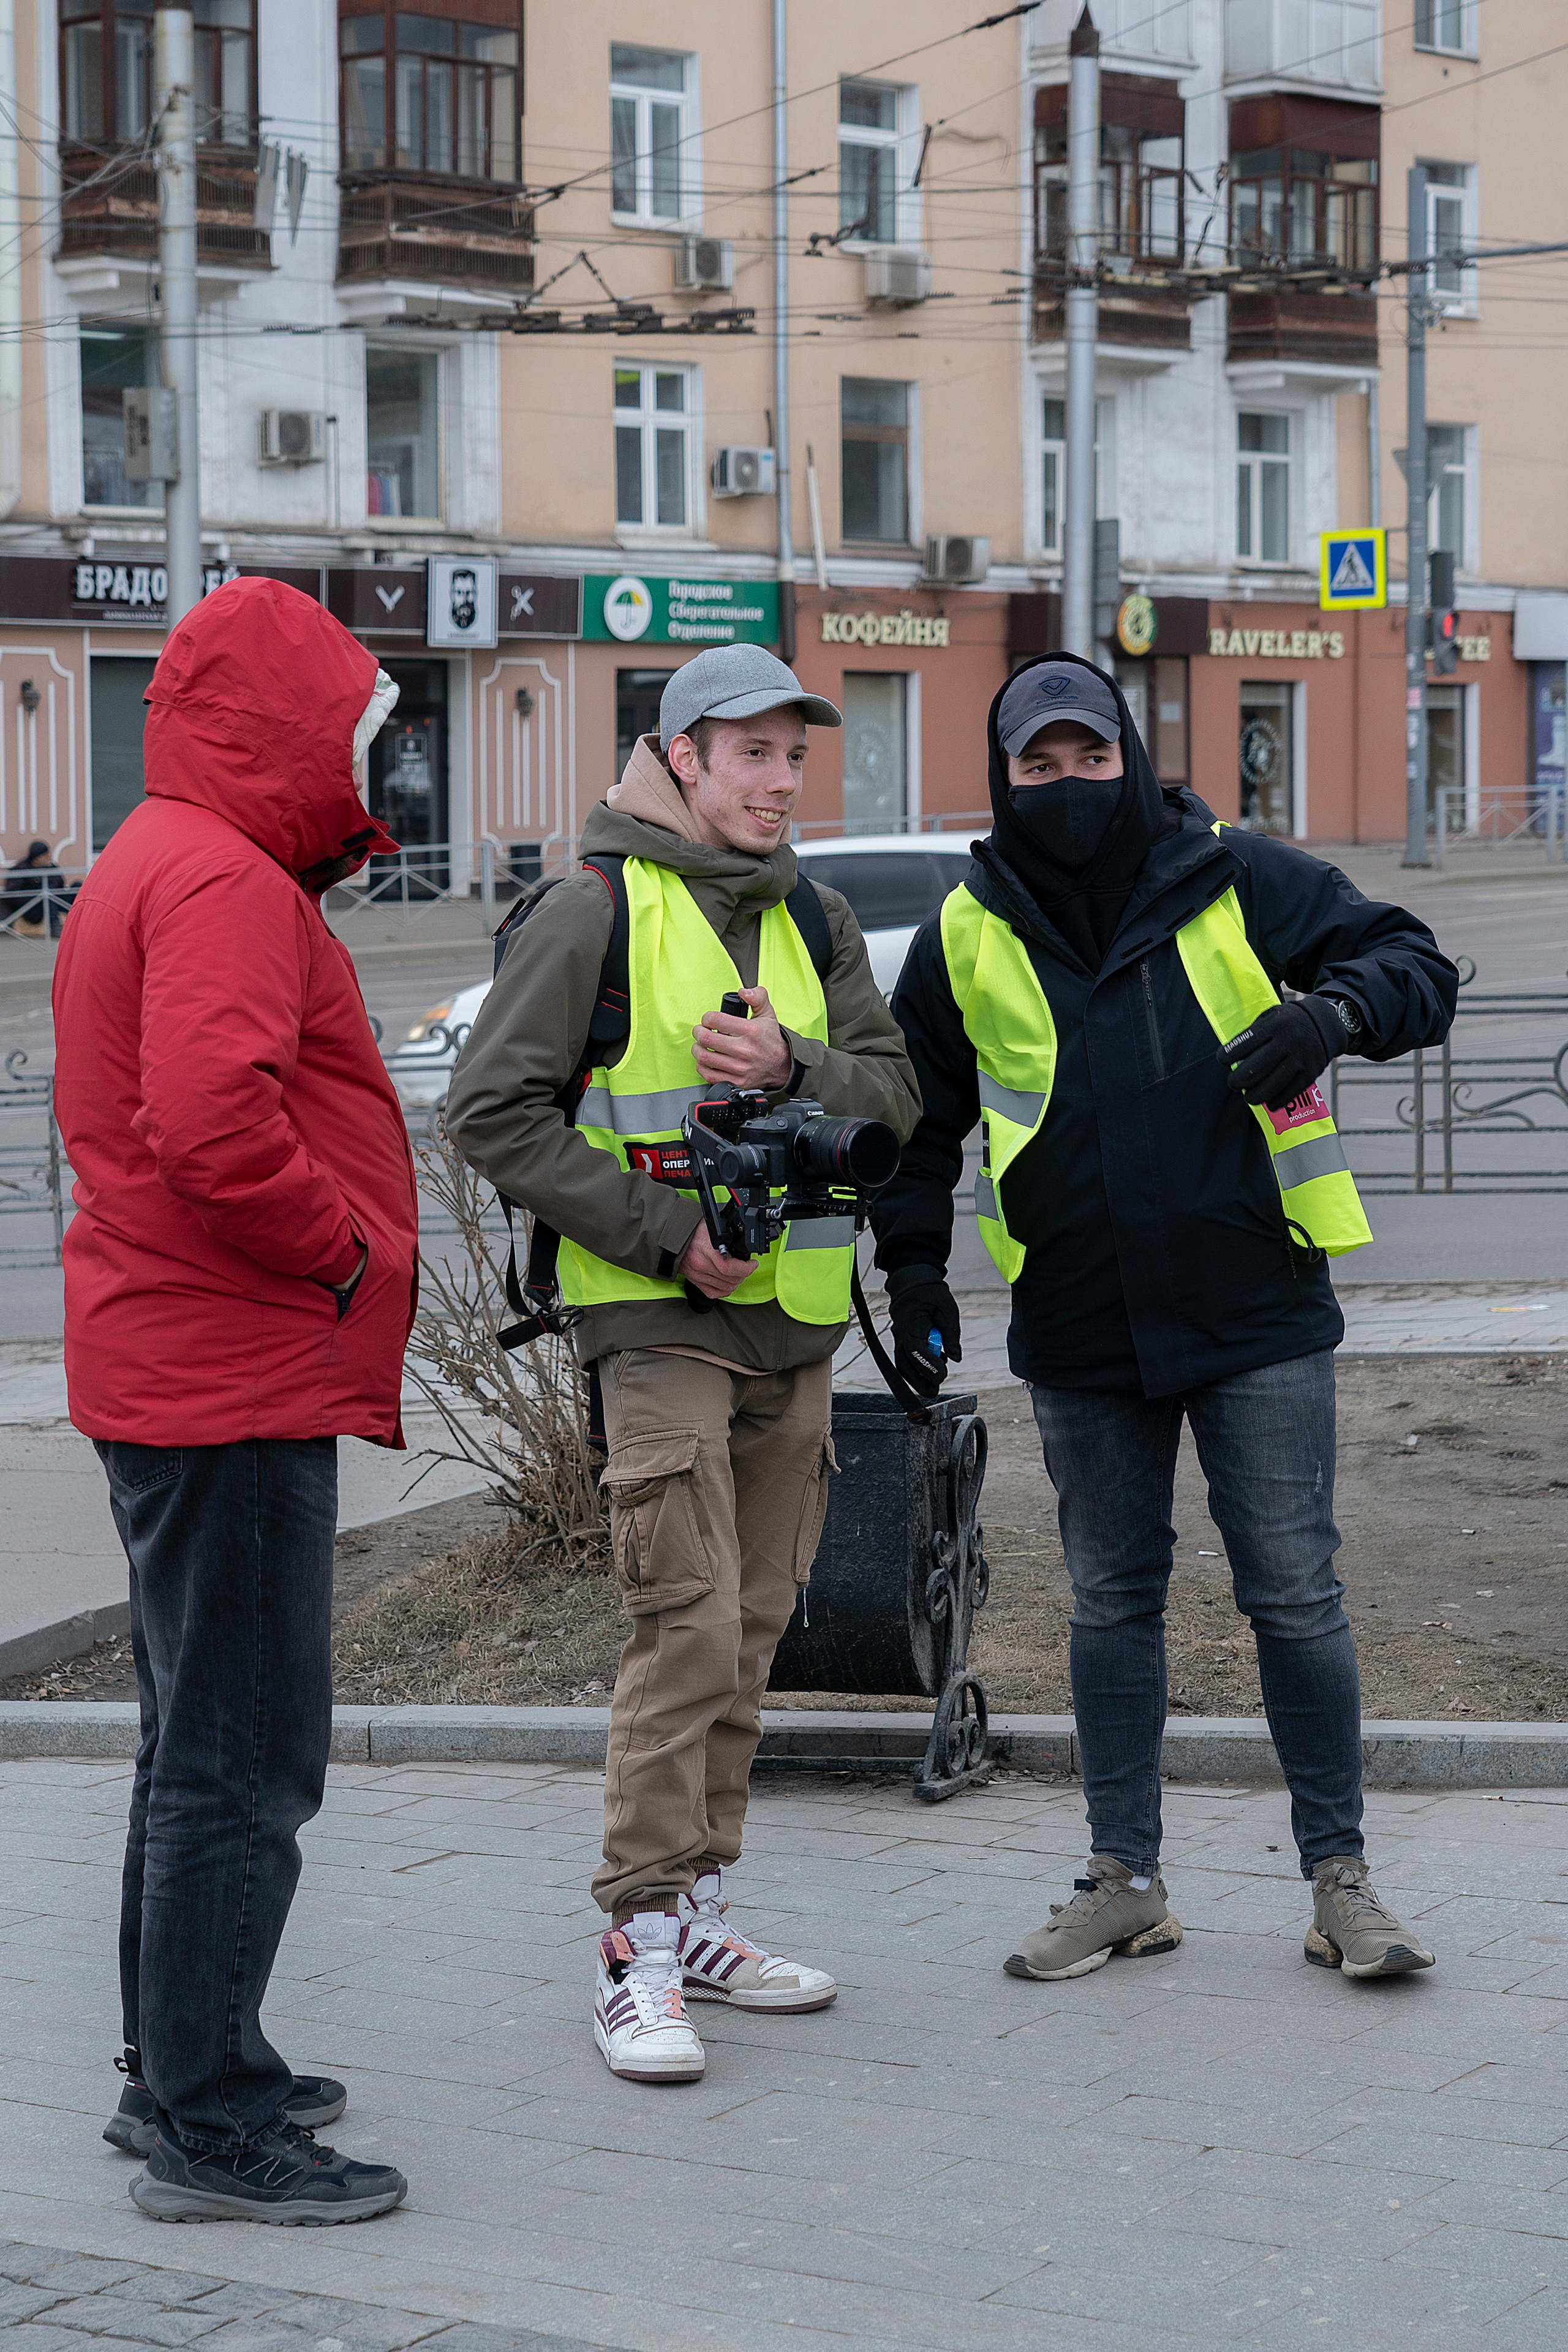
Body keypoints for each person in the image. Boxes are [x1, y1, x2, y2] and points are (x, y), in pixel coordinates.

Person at [871, 653, 1458, 1986]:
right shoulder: (969, 924)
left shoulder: (1235, 876)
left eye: (1089, 759)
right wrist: (911, 1275)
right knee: (1108, 1604)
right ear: (1004, 777)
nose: (1067, 785)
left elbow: (1410, 963)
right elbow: (915, 1124)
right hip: (1079, 1328)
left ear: (1128, 758)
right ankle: (1121, 1881)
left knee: (1295, 1600)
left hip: (1252, 1309)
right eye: (1039, 765)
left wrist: (1331, 1013)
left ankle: (1339, 1882)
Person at [446, 644, 921, 2084]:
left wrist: (792, 1070)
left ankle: (702, 1907)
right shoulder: (590, 906)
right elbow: (489, 1111)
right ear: (682, 758)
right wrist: (662, 1235)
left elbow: (893, 1094)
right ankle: (634, 1940)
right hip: (655, 1313)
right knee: (687, 1622)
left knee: (757, 1619)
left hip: (793, 1312)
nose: (780, 781)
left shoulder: (816, 912)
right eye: (752, 753)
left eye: (795, 755)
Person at [52, 577, 420, 2223]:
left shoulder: (173, 851)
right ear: (287, 727)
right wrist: (344, 1250)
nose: (372, 769)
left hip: (189, 1357)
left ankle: (187, 2065)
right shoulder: (219, 877)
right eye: (355, 734)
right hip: (232, 1368)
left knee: (194, 1746)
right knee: (243, 1763)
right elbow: (212, 1123)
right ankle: (208, 2118)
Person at [2, 839, 69, 936]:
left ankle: (84, 920)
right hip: (33, 908)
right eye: (45, 855)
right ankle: (55, 929)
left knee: (77, 886)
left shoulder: (51, 866)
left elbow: (61, 884)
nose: (49, 857)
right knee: (46, 894)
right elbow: (14, 895)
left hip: (56, 902)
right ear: (37, 858)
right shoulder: (21, 869)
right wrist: (37, 891)